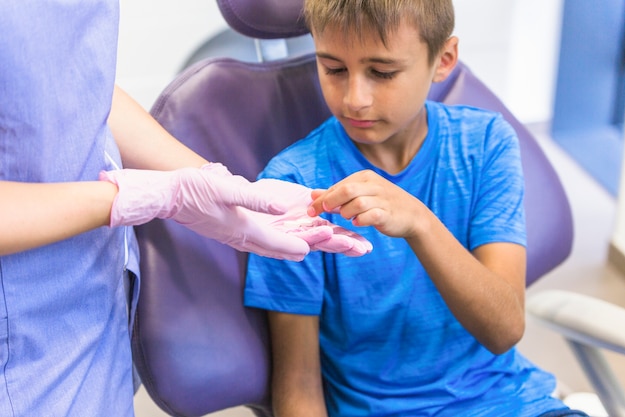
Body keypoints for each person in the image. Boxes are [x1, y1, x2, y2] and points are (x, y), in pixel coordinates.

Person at [0, 2, 371, 416]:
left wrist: (214, 182)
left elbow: (69, 80)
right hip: (21, 342)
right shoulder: (298, 165)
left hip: (90, 311)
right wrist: (137, 197)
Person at [243, 1, 589, 416]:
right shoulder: (294, 183)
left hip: (509, 403)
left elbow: (504, 330)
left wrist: (420, 223)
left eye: (383, 72)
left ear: (443, 60)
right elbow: (298, 383)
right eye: (334, 69)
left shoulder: (485, 143)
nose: (355, 99)